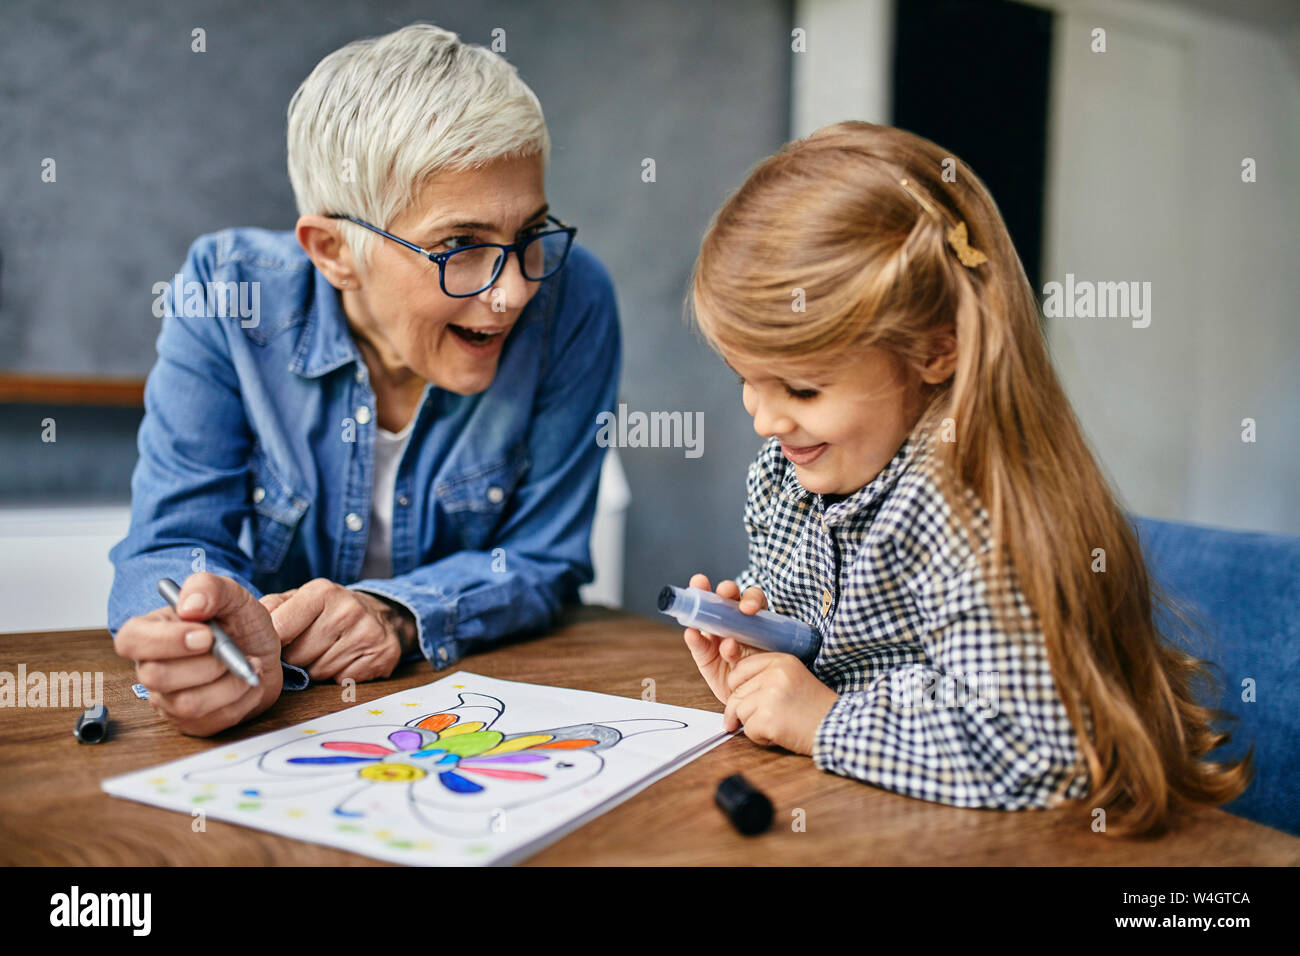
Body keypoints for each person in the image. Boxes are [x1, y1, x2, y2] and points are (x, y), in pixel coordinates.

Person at [679, 121, 1250, 836]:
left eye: (800, 389)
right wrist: (762, 656)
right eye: (745, 379)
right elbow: (842, 661)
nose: (764, 420)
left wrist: (822, 719)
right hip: (881, 817)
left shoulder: (963, 511)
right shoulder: (790, 474)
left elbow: (1038, 753)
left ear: (935, 352)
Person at [108, 23, 620, 737]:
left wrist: (398, 613)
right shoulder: (226, 294)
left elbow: (544, 556)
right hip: (290, 725)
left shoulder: (574, 296)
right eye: (461, 247)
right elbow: (171, 546)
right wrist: (193, 636)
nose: (513, 294)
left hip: (466, 718)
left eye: (529, 232)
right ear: (333, 251)